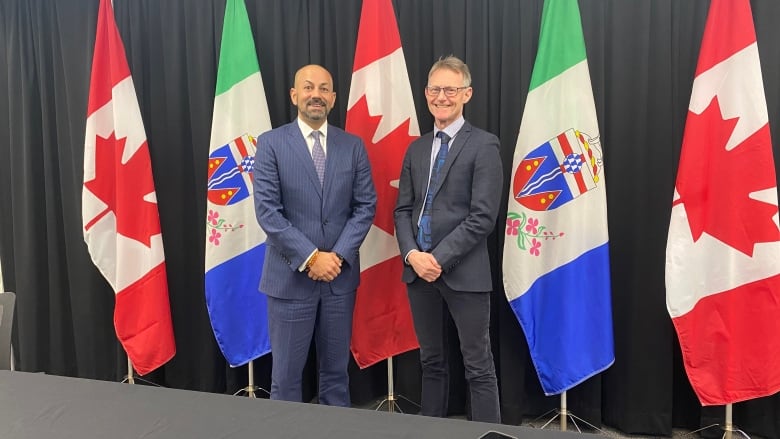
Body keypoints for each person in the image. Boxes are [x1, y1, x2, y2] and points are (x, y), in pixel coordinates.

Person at [253, 64, 376, 407]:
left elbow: (365, 206)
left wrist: (335, 258)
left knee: (336, 376)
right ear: (294, 95)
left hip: (339, 279)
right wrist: (311, 258)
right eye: (308, 88)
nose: (316, 95)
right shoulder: (271, 144)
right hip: (290, 282)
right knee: (287, 379)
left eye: (324, 89)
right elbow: (268, 212)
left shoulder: (352, 146)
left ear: (334, 98)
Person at [394, 56, 503, 423]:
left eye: (450, 90)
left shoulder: (485, 145)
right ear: (426, 94)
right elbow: (402, 210)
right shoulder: (416, 149)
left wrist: (435, 258)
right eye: (435, 89)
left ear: (466, 94)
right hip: (417, 271)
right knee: (432, 361)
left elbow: (483, 217)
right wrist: (411, 254)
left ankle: (490, 433)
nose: (442, 97)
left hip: (463, 272)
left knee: (478, 365)